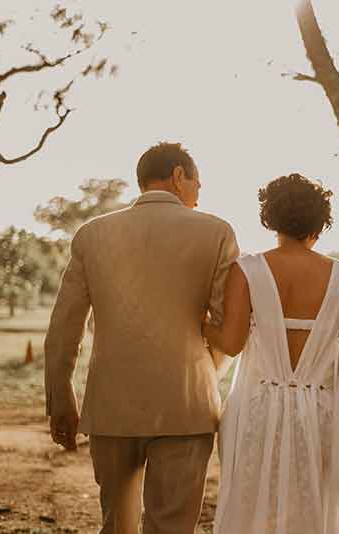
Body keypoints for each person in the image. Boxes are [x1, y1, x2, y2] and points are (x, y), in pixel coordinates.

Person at [44, 142, 239, 534]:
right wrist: (203, 371)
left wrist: (61, 394)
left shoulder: (92, 234)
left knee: (116, 525)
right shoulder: (217, 232)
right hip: (186, 404)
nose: (199, 196)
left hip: (111, 406)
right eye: (198, 183)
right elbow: (224, 324)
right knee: (172, 527)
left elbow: (65, 324)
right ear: (179, 176)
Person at [204, 173, 339, 534]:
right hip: (317, 411)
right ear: (320, 221)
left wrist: (200, 321)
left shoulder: (247, 270)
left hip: (256, 406)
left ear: (271, 218)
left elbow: (231, 344)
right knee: (305, 508)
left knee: (252, 505)